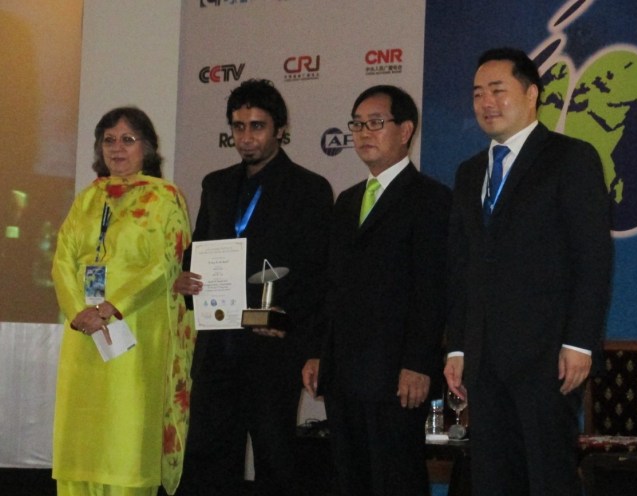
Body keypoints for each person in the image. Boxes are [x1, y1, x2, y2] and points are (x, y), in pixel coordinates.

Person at [443, 48, 614, 496]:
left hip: (546, 357)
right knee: (494, 479)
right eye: (478, 93)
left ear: (532, 93)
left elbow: (592, 257)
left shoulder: (570, 158)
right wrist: (458, 347)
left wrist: (579, 342)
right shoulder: (468, 173)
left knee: (547, 476)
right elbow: (461, 267)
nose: (486, 103)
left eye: (498, 90)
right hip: (483, 361)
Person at [174, 79, 332, 495]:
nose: (246, 137)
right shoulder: (217, 184)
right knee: (207, 460)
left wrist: (287, 319)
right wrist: (187, 279)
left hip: (271, 351)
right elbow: (199, 250)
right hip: (217, 350)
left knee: (275, 460)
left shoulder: (310, 189)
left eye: (257, 126)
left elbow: (316, 273)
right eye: (238, 127)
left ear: (279, 128)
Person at [302, 85, 451, 496]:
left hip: (396, 373)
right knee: (351, 479)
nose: (363, 132)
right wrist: (318, 350)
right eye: (357, 124)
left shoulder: (431, 199)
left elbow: (431, 288)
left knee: (395, 479)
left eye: (375, 123)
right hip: (344, 369)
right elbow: (331, 286)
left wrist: (419, 362)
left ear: (405, 131)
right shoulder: (347, 201)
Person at [51, 107, 194, 495]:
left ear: (146, 147)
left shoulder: (166, 198)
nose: (117, 148)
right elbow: (62, 258)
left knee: (126, 441)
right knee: (81, 441)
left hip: (135, 333)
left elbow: (164, 264)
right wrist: (78, 311)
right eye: (109, 140)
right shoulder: (87, 198)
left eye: (128, 139)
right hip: (84, 333)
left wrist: (111, 307)